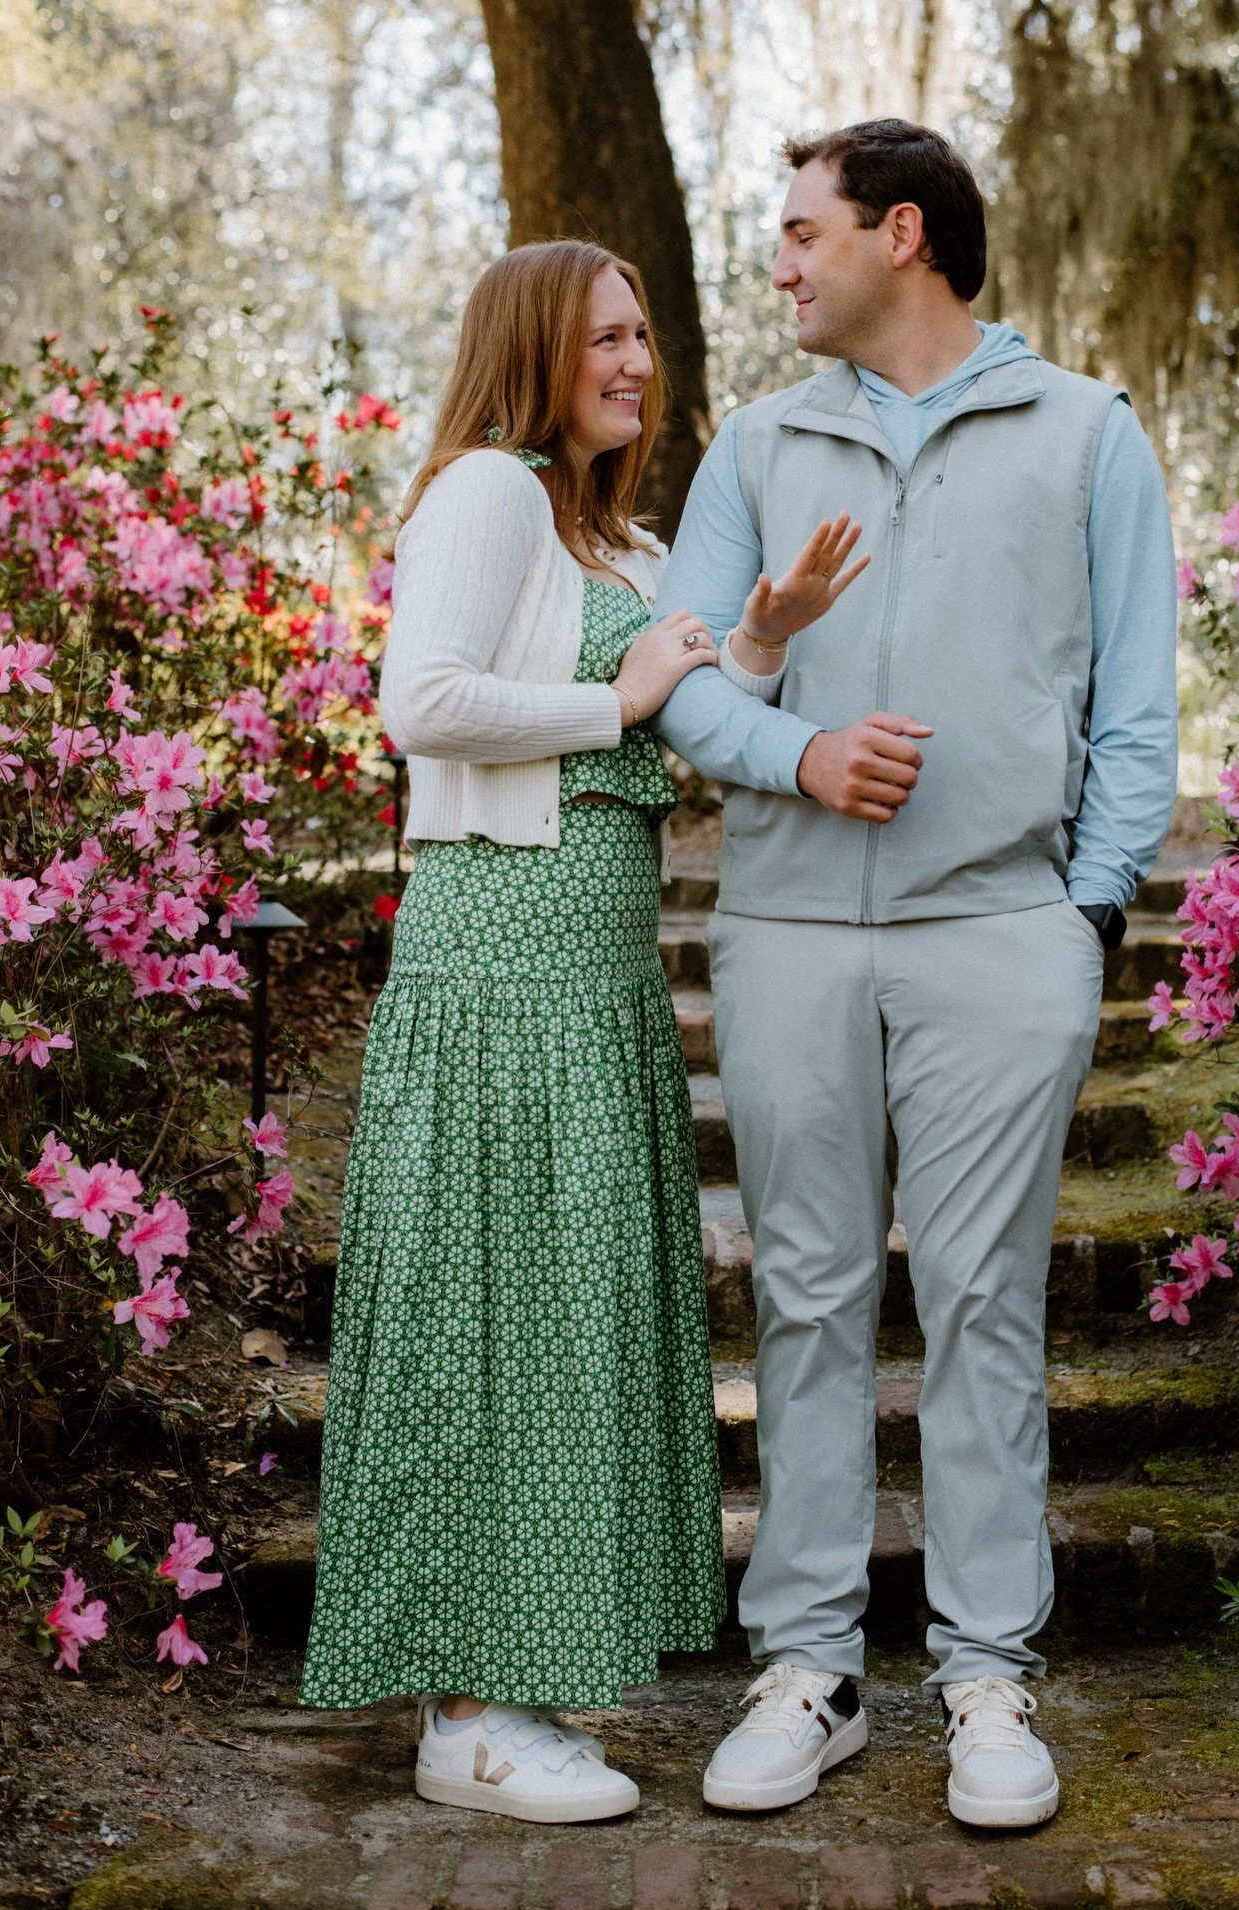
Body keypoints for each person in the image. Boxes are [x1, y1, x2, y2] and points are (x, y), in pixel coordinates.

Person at [298, 238, 868, 1826]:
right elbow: (426, 700)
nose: (634, 360)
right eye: (603, 336)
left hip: (598, 989)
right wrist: (611, 709)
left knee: (568, 1326)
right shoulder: (486, 489)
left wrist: (760, 637)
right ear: (535, 348)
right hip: (498, 974)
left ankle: (528, 1683)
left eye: (641, 336)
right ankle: (464, 1717)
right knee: (492, 1322)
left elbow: (686, 717)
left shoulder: (624, 538)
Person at [653, 120, 1179, 1827]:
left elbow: (1136, 715)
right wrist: (801, 760)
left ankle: (986, 1683)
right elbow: (682, 684)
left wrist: (1078, 920)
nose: (782, 266)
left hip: (999, 939)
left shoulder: (1087, 432)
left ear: (902, 233)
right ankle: (806, 1669)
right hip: (793, 939)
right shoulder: (754, 442)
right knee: (804, 1305)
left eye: (802, 233)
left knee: (983, 1314)